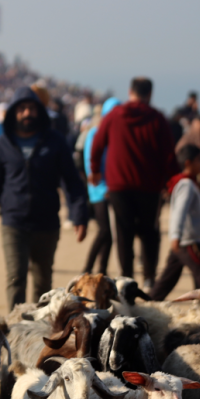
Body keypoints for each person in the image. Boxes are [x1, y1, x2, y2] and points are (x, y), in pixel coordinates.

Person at [0, 87, 89, 311]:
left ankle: (40, 327)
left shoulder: (55, 141)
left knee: (43, 282)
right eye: (21, 109)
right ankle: (15, 326)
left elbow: (72, 182)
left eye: (31, 108)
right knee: (15, 278)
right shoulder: (1, 144)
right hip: (13, 222)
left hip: (47, 223)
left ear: (40, 111)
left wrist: (79, 216)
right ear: (13, 113)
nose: (27, 113)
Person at [89, 77, 179, 291]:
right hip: (149, 186)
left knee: (123, 232)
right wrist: (174, 181)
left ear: (130, 92)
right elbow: (168, 155)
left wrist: (94, 170)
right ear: (150, 94)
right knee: (149, 232)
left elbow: (97, 144)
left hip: (118, 185)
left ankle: (126, 278)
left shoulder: (113, 116)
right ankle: (148, 278)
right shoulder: (157, 118)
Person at [149, 145, 200, 300]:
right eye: (199, 160)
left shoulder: (189, 183)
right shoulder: (186, 185)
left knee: (167, 279)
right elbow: (179, 211)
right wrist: (175, 235)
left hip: (185, 241)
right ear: (188, 162)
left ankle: (149, 303)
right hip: (188, 242)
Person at [82, 97, 120, 275]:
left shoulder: (117, 134)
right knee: (104, 230)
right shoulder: (94, 133)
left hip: (112, 189)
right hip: (98, 189)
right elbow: (90, 162)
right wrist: (104, 186)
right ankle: (87, 269)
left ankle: (102, 270)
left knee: (110, 234)